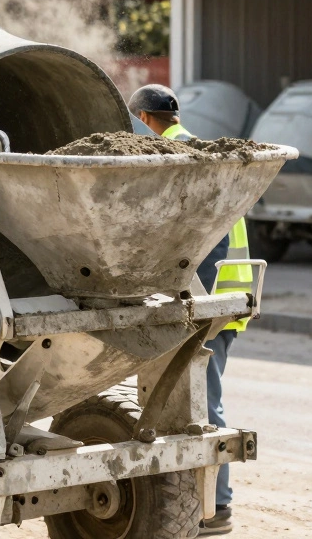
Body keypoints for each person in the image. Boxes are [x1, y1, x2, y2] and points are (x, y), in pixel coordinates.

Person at [128, 84, 253, 537]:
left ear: (142, 119)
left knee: (203, 406)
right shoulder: (200, 149)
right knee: (195, 401)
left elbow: (197, 241)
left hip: (209, 303)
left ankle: (216, 508)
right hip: (226, 298)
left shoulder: (174, 159)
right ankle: (202, 503)